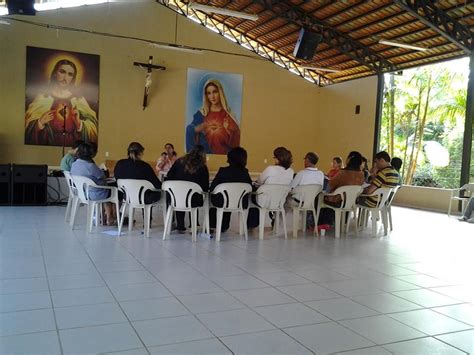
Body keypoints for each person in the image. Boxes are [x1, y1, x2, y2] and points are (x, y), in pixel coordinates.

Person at [25, 59, 98, 146]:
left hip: (73, 147)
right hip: (49, 143)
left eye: (70, 74)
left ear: (73, 78)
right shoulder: (43, 97)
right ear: (55, 73)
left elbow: (93, 127)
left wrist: (79, 123)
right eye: (62, 72)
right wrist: (40, 122)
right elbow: (28, 124)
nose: (65, 77)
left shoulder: (78, 99)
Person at [186, 79, 240, 155]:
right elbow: (190, 131)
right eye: (209, 93)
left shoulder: (228, 115)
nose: (212, 96)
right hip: (204, 156)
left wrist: (228, 130)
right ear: (206, 95)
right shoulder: (202, 114)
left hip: (223, 157)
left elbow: (236, 141)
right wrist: (195, 129)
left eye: (215, 92)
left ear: (220, 93)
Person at [166, 145, 209, 233]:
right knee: (194, 197)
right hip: (194, 200)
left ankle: (180, 226)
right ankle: (193, 226)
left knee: (179, 196)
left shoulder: (178, 162)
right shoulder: (202, 167)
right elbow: (205, 187)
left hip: (176, 197)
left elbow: (169, 176)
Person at [209, 147, 253, 233]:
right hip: (240, 202)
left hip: (222, 202)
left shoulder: (223, 171)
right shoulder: (245, 172)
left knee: (219, 197)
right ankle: (224, 226)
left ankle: (213, 225)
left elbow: (213, 188)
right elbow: (250, 187)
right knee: (228, 198)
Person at [248, 147, 293, 228]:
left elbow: (259, 182)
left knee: (251, 195)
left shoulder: (270, 169)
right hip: (279, 201)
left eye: (274, 157)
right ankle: (273, 215)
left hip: (264, 200)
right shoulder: (291, 171)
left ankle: (251, 224)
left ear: (278, 159)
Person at [71, 143, 116, 225]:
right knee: (112, 193)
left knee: (105, 191)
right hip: (96, 194)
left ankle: (100, 216)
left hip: (82, 193)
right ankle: (110, 217)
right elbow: (102, 175)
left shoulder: (74, 164)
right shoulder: (91, 166)